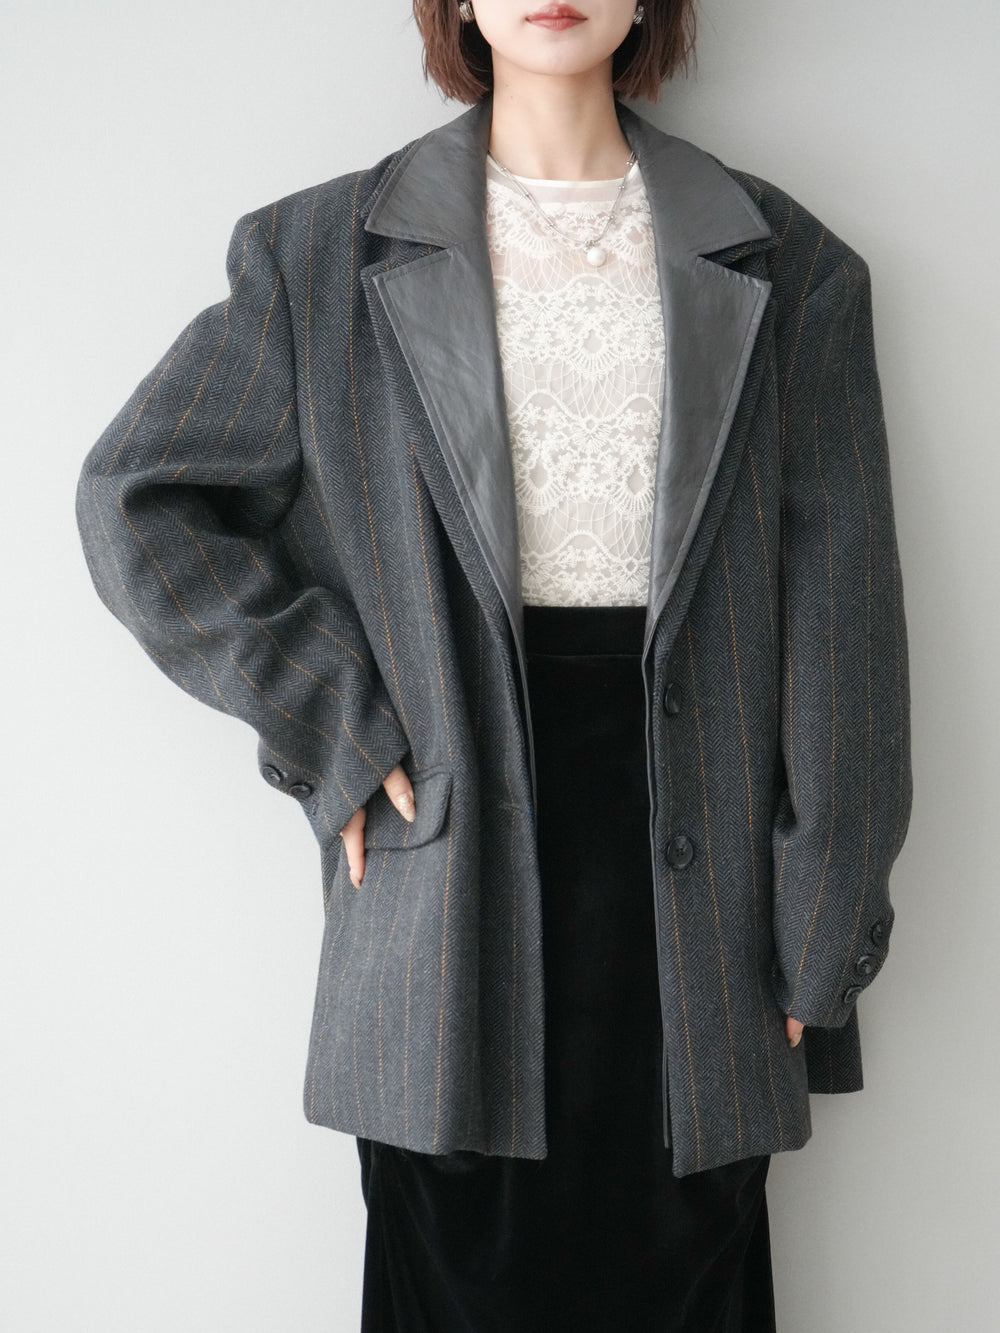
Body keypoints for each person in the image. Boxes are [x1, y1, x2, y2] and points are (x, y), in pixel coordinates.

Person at [75, 1, 913, 1328]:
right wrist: (336, 723)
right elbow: (139, 499)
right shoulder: (318, 256)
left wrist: (824, 923)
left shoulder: (791, 267)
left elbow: (845, 615)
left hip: (701, 913)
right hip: (445, 886)